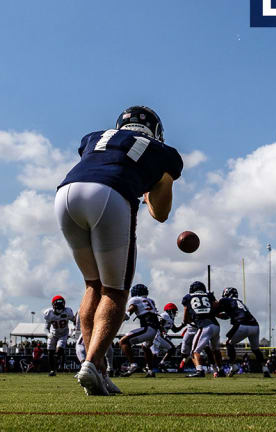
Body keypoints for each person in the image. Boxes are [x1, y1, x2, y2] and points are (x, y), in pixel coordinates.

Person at [56, 106, 182, 396]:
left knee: (92, 285)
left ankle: (97, 370)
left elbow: (100, 161)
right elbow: (160, 212)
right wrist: (149, 188)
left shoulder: (94, 137)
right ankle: (91, 364)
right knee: (115, 290)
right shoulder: (164, 152)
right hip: (110, 194)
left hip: (66, 194)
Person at [215, 287, 270, 376]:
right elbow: (227, 315)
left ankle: (233, 366)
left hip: (242, 324)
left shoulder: (226, 300)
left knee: (229, 344)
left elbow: (217, 309)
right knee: (256, 349)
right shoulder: (240, 303)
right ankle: (265, 368)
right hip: (255, 325)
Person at [182, 281, 222, 377]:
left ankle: (199, 371)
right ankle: (220, 371)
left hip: (204, 326)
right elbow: (216, 306)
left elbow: (186, 311)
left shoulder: (188, 297)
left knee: (194, 351)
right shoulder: (208, 295)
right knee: (216, 350)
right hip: (216, 325)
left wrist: (186, 320)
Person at [119, 283, 160, 377]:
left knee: (123, 342)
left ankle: (133, 364)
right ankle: (150, 371)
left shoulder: (135, 299)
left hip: (148, 327)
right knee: (146, 347)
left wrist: (125, 316)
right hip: (155, 328)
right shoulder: (151, 301)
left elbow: (131, 309)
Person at [42, 295, 75, 376]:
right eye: (58, 304)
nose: (59, 307)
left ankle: (57, 365)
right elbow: (46, 327)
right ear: (53, 305)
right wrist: (48, 334)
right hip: (53, 334)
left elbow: (75, 320)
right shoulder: (49, 313)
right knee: (50, 352)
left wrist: (75, 330)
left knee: (58, 352)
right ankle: (52, 370)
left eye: (61, 304)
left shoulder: (67, 311)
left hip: (63, 334)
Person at [150, 302, 179, 369]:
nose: (175, 313)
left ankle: (161, 363)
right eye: (174, 311)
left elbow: (175, 330)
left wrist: (183, 325)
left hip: (160, 336)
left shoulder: (170, 318)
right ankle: (149, 366)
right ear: (170, 310)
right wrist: (162, 331)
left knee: (171, 349)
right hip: (157, 335)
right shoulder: (165, 315)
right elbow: (159, 323)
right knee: (154, 354)